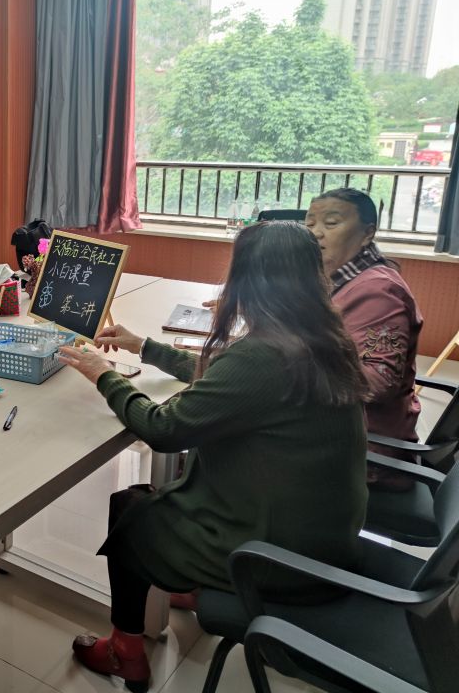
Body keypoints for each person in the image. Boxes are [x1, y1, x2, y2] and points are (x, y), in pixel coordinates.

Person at [58, 222, 368, 691]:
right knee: (155, 500)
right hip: (324, 541)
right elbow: (228, 378)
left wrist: (105, 375)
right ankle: (188, 586)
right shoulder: (323, 338)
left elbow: (162, 429)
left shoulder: (263, 355)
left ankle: (126, 650)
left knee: (132, 512)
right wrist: (145, 347)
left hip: (277, 558)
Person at [305, 187, 423, 490]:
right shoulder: (341, 279)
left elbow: (377, 382)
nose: (316, 233)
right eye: (310, 224)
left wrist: (290, 362)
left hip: (361, 452)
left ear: (367, 233)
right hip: (337, 428)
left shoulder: (378, 291)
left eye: (331, 223)